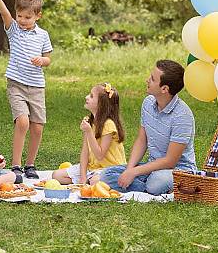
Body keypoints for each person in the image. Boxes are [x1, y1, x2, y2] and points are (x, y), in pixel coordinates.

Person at [0, 0, 53, 179]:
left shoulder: (43, 35)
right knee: (22, 122)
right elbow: (4, 13)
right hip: (16, 84)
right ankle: (16, 165)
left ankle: (30, 165)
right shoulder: (14, 29)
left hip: (37, 86)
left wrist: (43, 61)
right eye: (20, 16)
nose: (22, 20)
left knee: (37, 126)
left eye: (27, 17)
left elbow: (48, 57)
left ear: (38, 16)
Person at [100, 59, 196, 195]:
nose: (147, 80)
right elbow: (141, 140)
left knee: (156, 184)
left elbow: (170, 161)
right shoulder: (148, 103)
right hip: (152, 167)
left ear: (164, 89)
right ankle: (151, 187)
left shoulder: (182, 117)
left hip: (178, 170)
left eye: (152, 79)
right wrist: (130, 169)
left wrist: (135, 172)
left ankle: (150, 187)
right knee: (106, 175)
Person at [51, 83, 126, 185]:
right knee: (56, 175)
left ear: (101, 104)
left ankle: (93, 180)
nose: (86, 97)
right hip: (92, 168)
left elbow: (99, 155)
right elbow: (85, 152)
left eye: (91, 96)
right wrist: (82, 176)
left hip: (110, 168)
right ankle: (87, 180)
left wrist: (89, 132)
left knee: (95, 181)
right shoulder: (89, 121)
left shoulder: (108, 125)